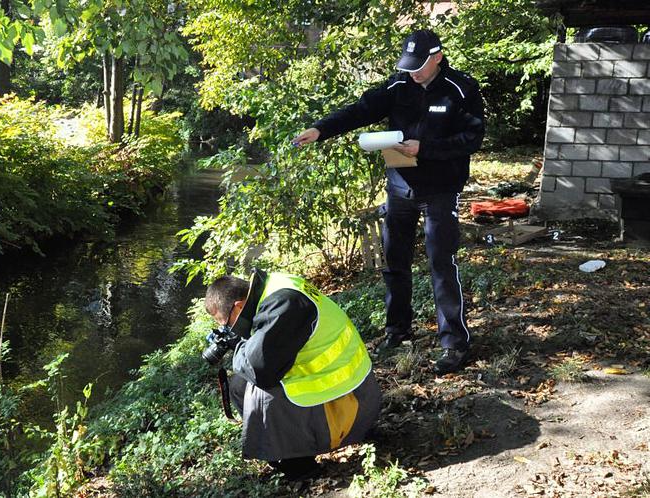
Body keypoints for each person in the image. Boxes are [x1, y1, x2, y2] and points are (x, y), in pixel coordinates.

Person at [293, 29, 485, 375]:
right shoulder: (398, 86)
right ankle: (398, 332)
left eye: (420, 65)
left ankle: (454, 343)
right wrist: (320, 130)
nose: (413, 71)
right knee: (394, 261)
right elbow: (359, 111)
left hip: (441, 189)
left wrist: (425, 149)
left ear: (438, 58)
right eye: (408, 64)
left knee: (441, 264)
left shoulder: (462, 89)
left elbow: (472, 138)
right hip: (400, 187)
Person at [204, 268, 381, 480]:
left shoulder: (283, 304)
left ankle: (300, 464)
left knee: (261, 393)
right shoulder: (274, 285)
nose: (228, 328)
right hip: (352, 385)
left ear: (239, 306)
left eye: (226, 323)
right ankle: (286, 450)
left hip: (351, 400)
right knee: (240, 384)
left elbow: (260, 370)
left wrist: (238, 344)